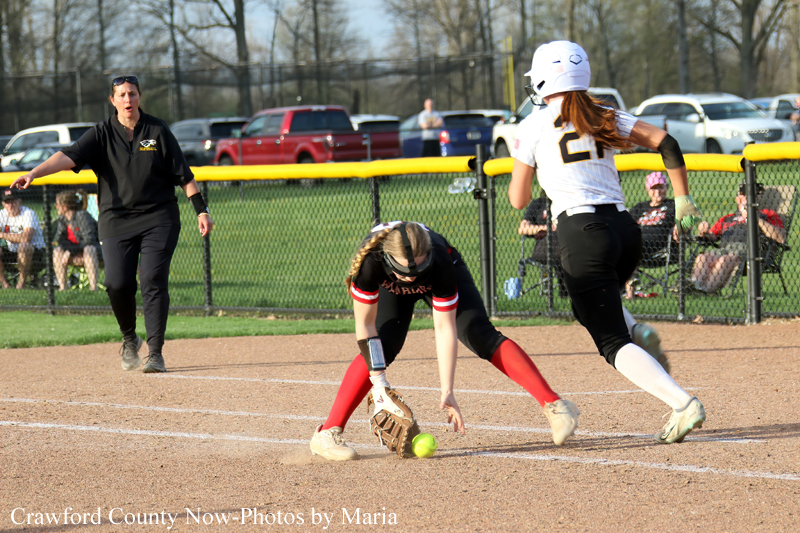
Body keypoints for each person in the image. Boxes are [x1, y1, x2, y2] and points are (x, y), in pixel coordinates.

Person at [508, 40, 706, 445]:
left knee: (610, 341)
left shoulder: (533, 125)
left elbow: (517, 199)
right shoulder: (604, 114)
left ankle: (682, 403)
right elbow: (667, 143)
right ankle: (635, 329)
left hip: (583, 234)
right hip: (625, 230)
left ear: (543, 81)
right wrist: (682, 200)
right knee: (595, 309)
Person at [309, 220, 580, 461]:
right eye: (404, 272)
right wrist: (379, 385)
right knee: (384, 343)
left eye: (419, 269)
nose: (412, 278)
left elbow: (444, 327)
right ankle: (328, 432)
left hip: (439, 275)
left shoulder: (439, 260)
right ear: (388, 259)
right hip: (390, 286)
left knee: (478, 332)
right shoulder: (371, 262)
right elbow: (366, 327)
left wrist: (447, 390)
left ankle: (555, 406)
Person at [10, 74, 214, 373]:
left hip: (159, 217)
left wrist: (201, 211)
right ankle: (130, 338)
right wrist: (33, 173)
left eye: (132, 93)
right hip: (116, 219)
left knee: (152, 279)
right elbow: (67, 156)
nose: (128, 99)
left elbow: (184, 176)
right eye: (122, 94)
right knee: (117, 283)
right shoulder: (101, 133)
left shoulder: (157, 130)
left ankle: (155, 353)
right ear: (113, 100)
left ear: (139, 97)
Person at [691, 182, 786, 294]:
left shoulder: (767, 215)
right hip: (725, 249)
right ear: (737, 198)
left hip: (749, 252)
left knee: (724, 260)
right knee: (703, 257)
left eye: (752, 193)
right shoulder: (727, 218)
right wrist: (704, 232)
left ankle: (705, 291)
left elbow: (780, 238)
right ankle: (694, 287)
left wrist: (755, 218)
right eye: (743, 193)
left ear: (758, 198)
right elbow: (712, 236)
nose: (747, 196)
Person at [625, 171, 677, 299]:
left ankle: (630, 290)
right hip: (637, 246)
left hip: (661, 248)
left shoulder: (672, 205)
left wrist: (681, 226)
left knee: (630, 246)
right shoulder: (640, 207)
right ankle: (629, 289)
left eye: (661, 187)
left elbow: (689, 217)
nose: (657, 192)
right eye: (654, 188)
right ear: (647, 190)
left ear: (667, 187)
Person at [52, 189, 102, 291]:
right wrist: (70, 251)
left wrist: (71, 251)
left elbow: (89, 239)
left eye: (57, 204)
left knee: (89, 249)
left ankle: (93, 287)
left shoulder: (82, 216)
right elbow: (61, 240)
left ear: (65, 206)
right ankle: (63, 287)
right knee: (57, 251)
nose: (56, 206)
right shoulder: (62, 219)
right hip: (74, 252)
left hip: (92, 253)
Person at [518, 192, 565, 295]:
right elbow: (523, 228)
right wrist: (547, 228)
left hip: (564, 242)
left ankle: (565, 290)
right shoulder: (538, 203)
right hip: (543, 247)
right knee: (554, 239)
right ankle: (565, 290)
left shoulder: (566, 202)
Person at [0, 189, 47, 289]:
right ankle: (5, 283)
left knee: (24, 246)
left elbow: (26, 238)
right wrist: (16, 237)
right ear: (3, 204)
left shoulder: (28, 213)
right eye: (7, 202)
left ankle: (22, 283)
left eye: (13, 201)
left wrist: (2, 235)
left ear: (20, 201)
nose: (11, 205)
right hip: (12, 252)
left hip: (34, 253)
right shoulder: (2, 214)